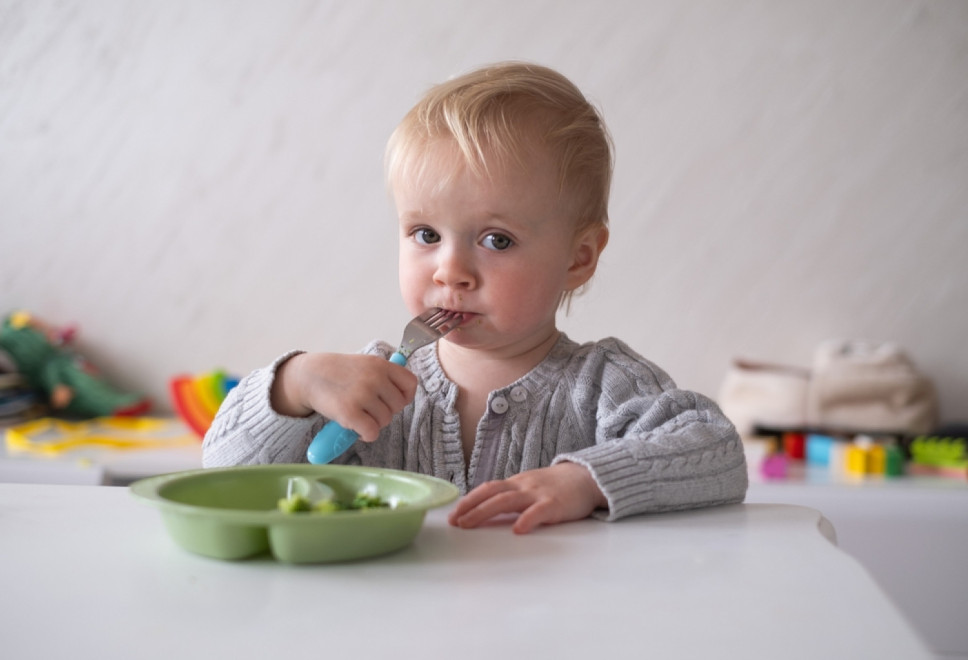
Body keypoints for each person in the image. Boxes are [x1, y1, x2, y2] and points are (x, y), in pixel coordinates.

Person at [203, 61, 748, 533]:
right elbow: (220, 475)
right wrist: (293, 386)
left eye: (496, 240)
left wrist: (584, 481)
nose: (451, 271)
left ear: (578, 258)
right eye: (425, 235)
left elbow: (716, 454)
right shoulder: (369, 387)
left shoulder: (603, 384)